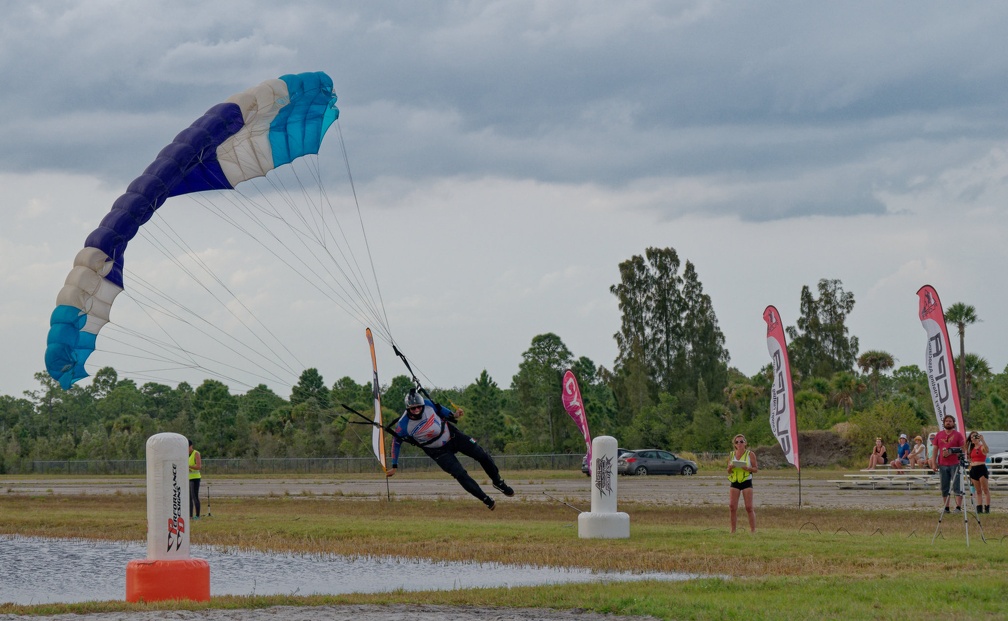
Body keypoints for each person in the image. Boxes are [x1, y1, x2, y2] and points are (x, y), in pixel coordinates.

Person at [386, 389, 514, 510]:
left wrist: (454, 414)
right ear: (408, 408)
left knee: (482, 455)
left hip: (453, 436)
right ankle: (485, 499)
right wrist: (394, 465)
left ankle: (498, 482)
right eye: (413, 408)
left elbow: (441, 410)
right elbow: (396, 443)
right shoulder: (403, 425)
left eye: (419, 407)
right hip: (438, 452)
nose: (417, 410)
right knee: (460, 474)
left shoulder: (427, 404)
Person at [934, 414, 965, 513]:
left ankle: (958, 507)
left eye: (950, 421)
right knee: (944, 486)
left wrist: (951, 452)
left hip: (955, 463)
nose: (948, 422)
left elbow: (963, 449)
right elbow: (935, 448)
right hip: (942, 464)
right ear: (943, 423)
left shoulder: (958, 435)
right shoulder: (939, 435)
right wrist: (933, 461)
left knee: (957, 485)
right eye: (946, 421)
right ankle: (946, 508)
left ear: (953, 423)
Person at [727, 434, 757, 533]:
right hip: (735, 481)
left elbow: (756, 469)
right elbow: (728, 471)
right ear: (734, 445)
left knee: (749, 507)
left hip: (746, 481)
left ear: (745, 443)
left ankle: (753, 530)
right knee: (732, 506)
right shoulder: (731, 455)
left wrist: (748, 468)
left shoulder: (750, 454)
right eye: (737, 442)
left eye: (741, 441)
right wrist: (730, 468)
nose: (739, 444)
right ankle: (733, 530)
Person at [967, 431, 991, 514]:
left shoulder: (981, 447)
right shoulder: (971, 449)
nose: (973, 438)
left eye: (975, 436)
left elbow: (987, 450)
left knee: (985, 489)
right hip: (973, 469)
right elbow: (969, 459)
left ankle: (987, 507)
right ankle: (979, 507)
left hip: (981, 468)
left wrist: (983, 440)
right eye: (972, 437)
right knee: (978, 491)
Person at [188, 438, 202, 521]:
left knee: (194, 497)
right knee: (189, 498)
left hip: (195, 478)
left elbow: (198, 466)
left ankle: (197, 515)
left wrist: (189, 466)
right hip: (188, 479)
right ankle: (190, 515)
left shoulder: (196, 453)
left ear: (191, 446)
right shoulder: (185, 454)